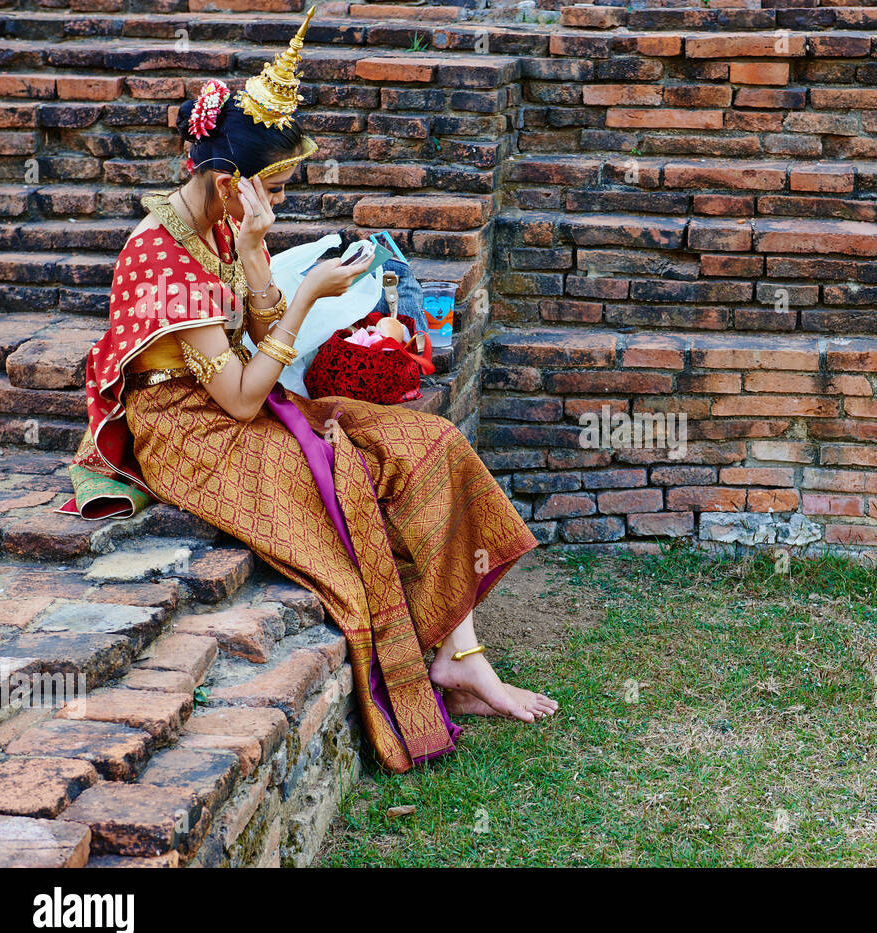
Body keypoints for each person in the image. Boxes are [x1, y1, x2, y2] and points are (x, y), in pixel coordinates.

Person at [54, 7, 557, 773]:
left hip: (233, 400)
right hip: (189, 436)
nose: (278, 204)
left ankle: (462, 653)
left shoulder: (220, 222)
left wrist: (257, 252)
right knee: (350, 481)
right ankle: (432, 666)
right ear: (229, 183)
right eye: (272, 190)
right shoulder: (163, 260)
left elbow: (255, 344)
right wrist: (308, 295)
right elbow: (246, 397)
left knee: (428, 441)